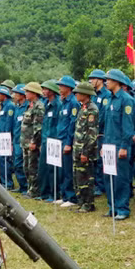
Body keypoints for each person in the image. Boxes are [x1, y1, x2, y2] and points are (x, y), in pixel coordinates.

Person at [102, 69, 135, 220]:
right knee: (108, 176)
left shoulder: (126, 100)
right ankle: (112, 206)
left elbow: (127, 127)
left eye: (108, 79)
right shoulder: (108, 99)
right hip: (108, 144)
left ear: (116, 81)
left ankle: (122, 208)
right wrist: (103, 145)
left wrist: (124, 146)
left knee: (121, 178)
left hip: (119, 145)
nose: (106, 82)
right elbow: (105, 124)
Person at [71, 81, 99, 213]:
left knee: (86, 177)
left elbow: (91, 133)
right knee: (78, 177)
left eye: (78, 92)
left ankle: (88, 203)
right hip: (78, 148)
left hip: (85, 150)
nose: (76, 94)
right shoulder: (82, 108)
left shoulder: (92, 109)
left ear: (85, 94)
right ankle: (82, 202)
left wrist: (86, 152)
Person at [57, 76, 80, 207]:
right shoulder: (64, 102)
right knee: (61, 170)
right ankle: (64, 195)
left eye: (61, 86)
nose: (59, 88)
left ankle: (71, 197)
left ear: (68, 87)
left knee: (68, 170)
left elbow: (72, 123)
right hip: (59, 139)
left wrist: (68, 142)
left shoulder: (73, 103)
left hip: (66, 140)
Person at [21, 82, 45, 198]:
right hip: (25, 141)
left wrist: (34, 142)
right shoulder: (29, 105)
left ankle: (34, 190)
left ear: (34, 93)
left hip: (31, 142)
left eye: (27, 91)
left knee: (32, 167)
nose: (25, 93)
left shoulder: (39, 106)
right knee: (26, 167)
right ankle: (29, 188)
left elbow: (37, 127)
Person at [38, 80, 61, 202]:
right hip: (45, 140)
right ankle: (44, 193)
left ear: (51, 91)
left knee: (53, 169)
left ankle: (54, 194)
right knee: (43, 168)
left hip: (54, 141)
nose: (43, 91)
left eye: (45, 89)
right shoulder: (46, 104)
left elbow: (59, 124)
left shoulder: (58, 105)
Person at [88, 69, 109, 196]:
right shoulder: (93, 95)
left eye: (93, 78)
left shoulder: (106, 95)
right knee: (94, 159)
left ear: (100, 80)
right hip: (93, 132)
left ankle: (101, 186)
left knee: (101, 161)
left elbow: (103, 116)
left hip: (101, 132)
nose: (90, 81)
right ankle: (96, 184)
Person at [0, 85, 15, 188]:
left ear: (4, 95)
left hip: (6, 136)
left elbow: (9, 123)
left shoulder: (10, 106)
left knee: (5, 160)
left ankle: (8, 183)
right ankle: (4, 181)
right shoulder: (2, 106)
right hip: (1, 136)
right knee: (1, 160)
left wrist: (8, 138)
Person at [11, 84, 29, 193]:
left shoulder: (27, 107)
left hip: (24, 140)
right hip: (16, 139)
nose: (14, 95)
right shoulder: (17, 107)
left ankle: (26, 186)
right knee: (16, 163)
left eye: (16, 93)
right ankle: (22, 186)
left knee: (22, 164)